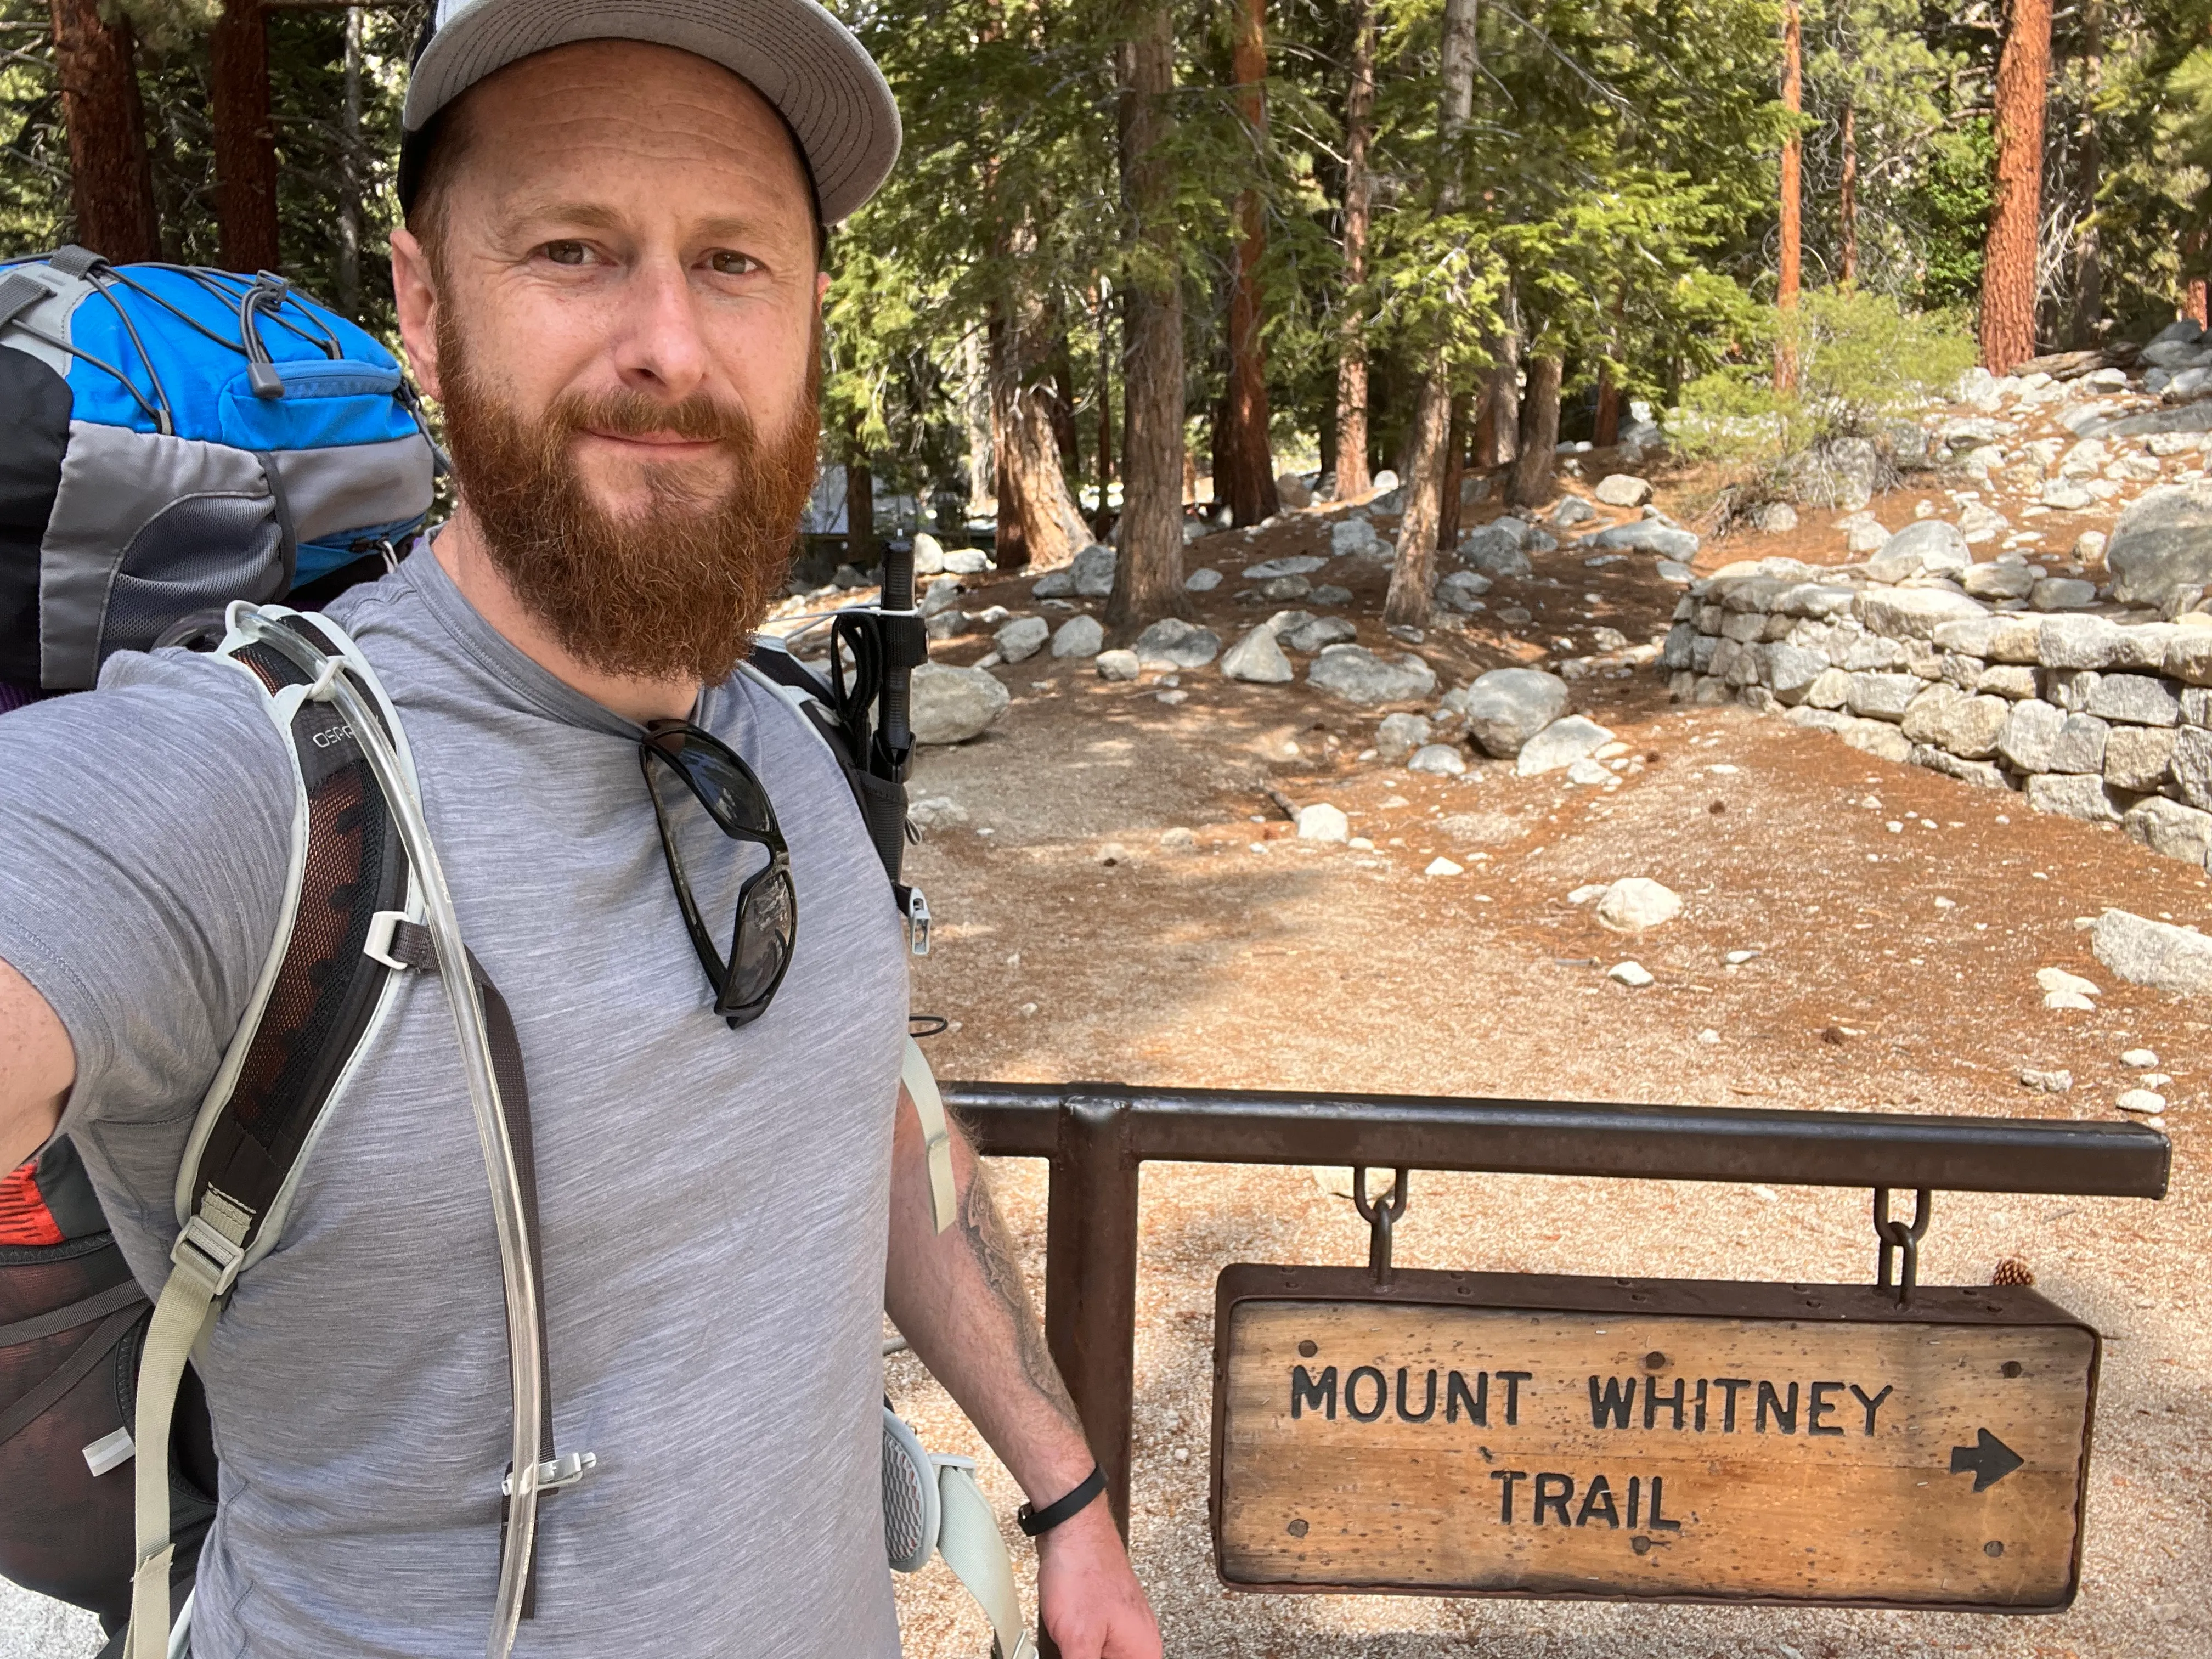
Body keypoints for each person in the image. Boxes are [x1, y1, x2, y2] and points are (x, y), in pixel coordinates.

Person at [0, 3, 1161, 1655]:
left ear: (811, 314)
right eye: (572, 249)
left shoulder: (790, 752)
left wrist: (1066, 1495)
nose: (670, 347)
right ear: (422, 303)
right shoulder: (256, 793)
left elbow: (878, 1150)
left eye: (736, 261)